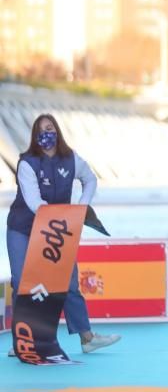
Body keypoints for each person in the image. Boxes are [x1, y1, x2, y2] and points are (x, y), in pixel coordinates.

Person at [6, 114, 121, 357]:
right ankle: (20, 343)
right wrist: (60, 216)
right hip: (23, 230)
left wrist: (81, 207)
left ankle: (87, 338)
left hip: (58, 228)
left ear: (57, 131)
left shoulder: (72, 159)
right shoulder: (27, 163)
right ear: (35, 136)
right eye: (40, 130)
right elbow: (34, 202)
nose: (45, 133)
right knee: (21, 283)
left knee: (69, 283)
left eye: (49, 128)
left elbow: (90, 180)